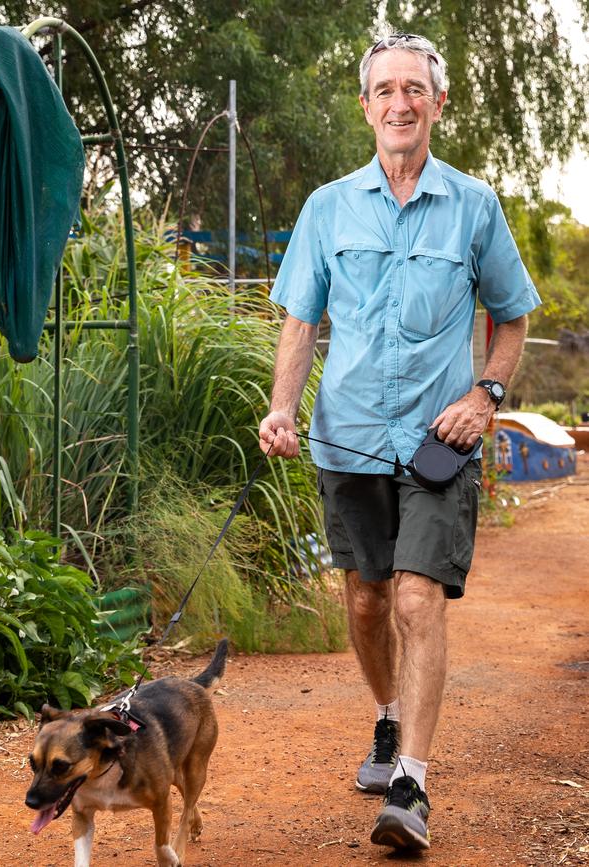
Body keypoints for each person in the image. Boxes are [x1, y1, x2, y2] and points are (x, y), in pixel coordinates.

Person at [258, 31, 541, 851]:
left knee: (417, 597)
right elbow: (300, 320)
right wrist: (282, 407)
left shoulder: (475, 205)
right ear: (366, 106)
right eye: (386, 90)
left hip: (438, 442)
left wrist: (485, 395)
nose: (401, 103)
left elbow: (513, 315)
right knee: (367, 598)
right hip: (345, 438)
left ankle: (411, 783)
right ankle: (386, 720)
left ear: (438, 104)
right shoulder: (328, 206)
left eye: (415, 89)